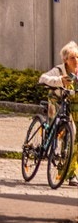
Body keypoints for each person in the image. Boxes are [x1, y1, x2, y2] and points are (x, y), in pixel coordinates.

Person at [37, 40, 78, 185]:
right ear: (65, 60)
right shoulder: (59, 70)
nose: (76, 60)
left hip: (73, 103)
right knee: (62, 127)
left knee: (73, 135)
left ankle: (70, 172)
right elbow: (43, 78)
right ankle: (52, 138)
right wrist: (60, 80)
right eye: (73, 58)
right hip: (57, 100)